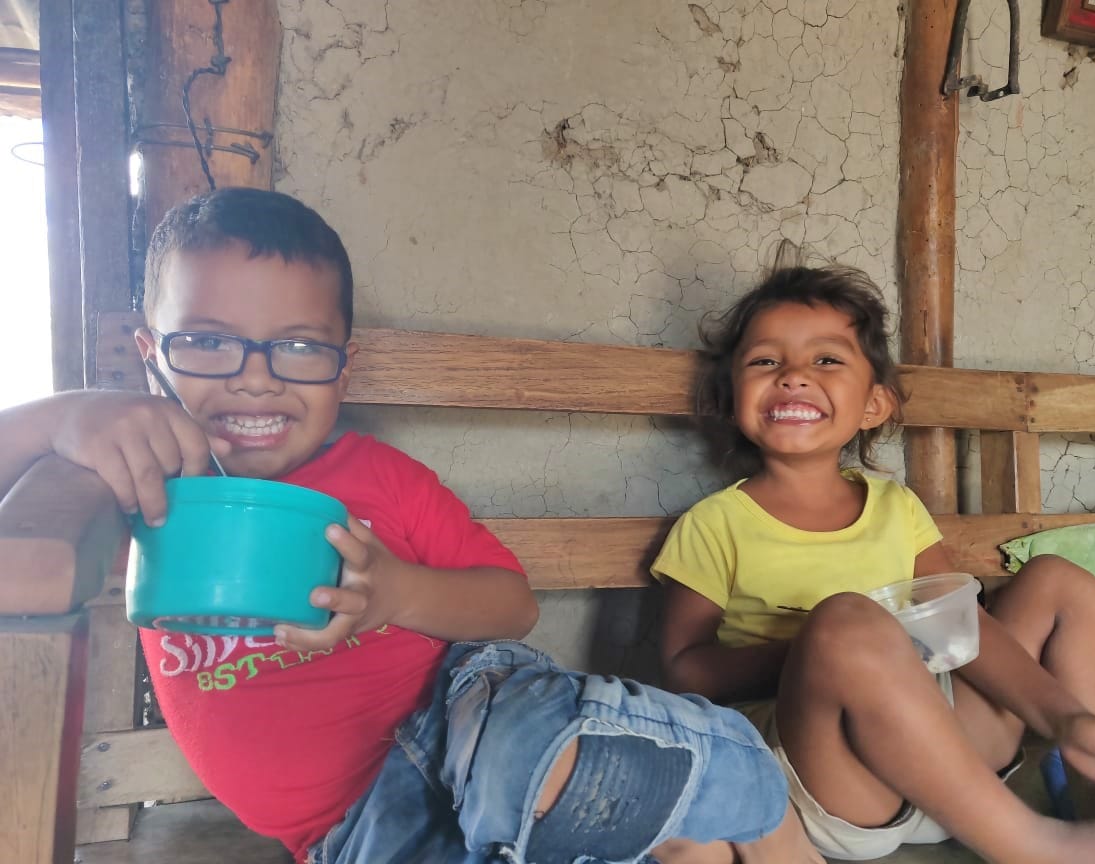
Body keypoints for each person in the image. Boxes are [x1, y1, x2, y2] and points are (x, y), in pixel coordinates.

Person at [0, 188, 820, 864]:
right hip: (355, 831)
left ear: (342, 362)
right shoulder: (143, 474)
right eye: (208, 343)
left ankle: (729, 775)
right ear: (151, 353)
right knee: (687, 847)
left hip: (461, 716)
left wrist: (395, 592)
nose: (256, 380)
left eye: (298, 346)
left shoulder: (383, 479)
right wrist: (59, 419)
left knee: (537, 755)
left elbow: (511, 605)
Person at [651, 246, 1095, 864]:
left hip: (954, 759)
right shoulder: (716, 524)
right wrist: (827, 646)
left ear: (874, 405)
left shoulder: (896, 507)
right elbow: (684, 670)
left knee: (1058, 580)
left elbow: (965, 630)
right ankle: (1036, 845)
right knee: (846, 620)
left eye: (826, 358)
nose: (794, 374)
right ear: (732, 398)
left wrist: (1062, 718)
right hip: (836, 778)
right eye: (765, 360)